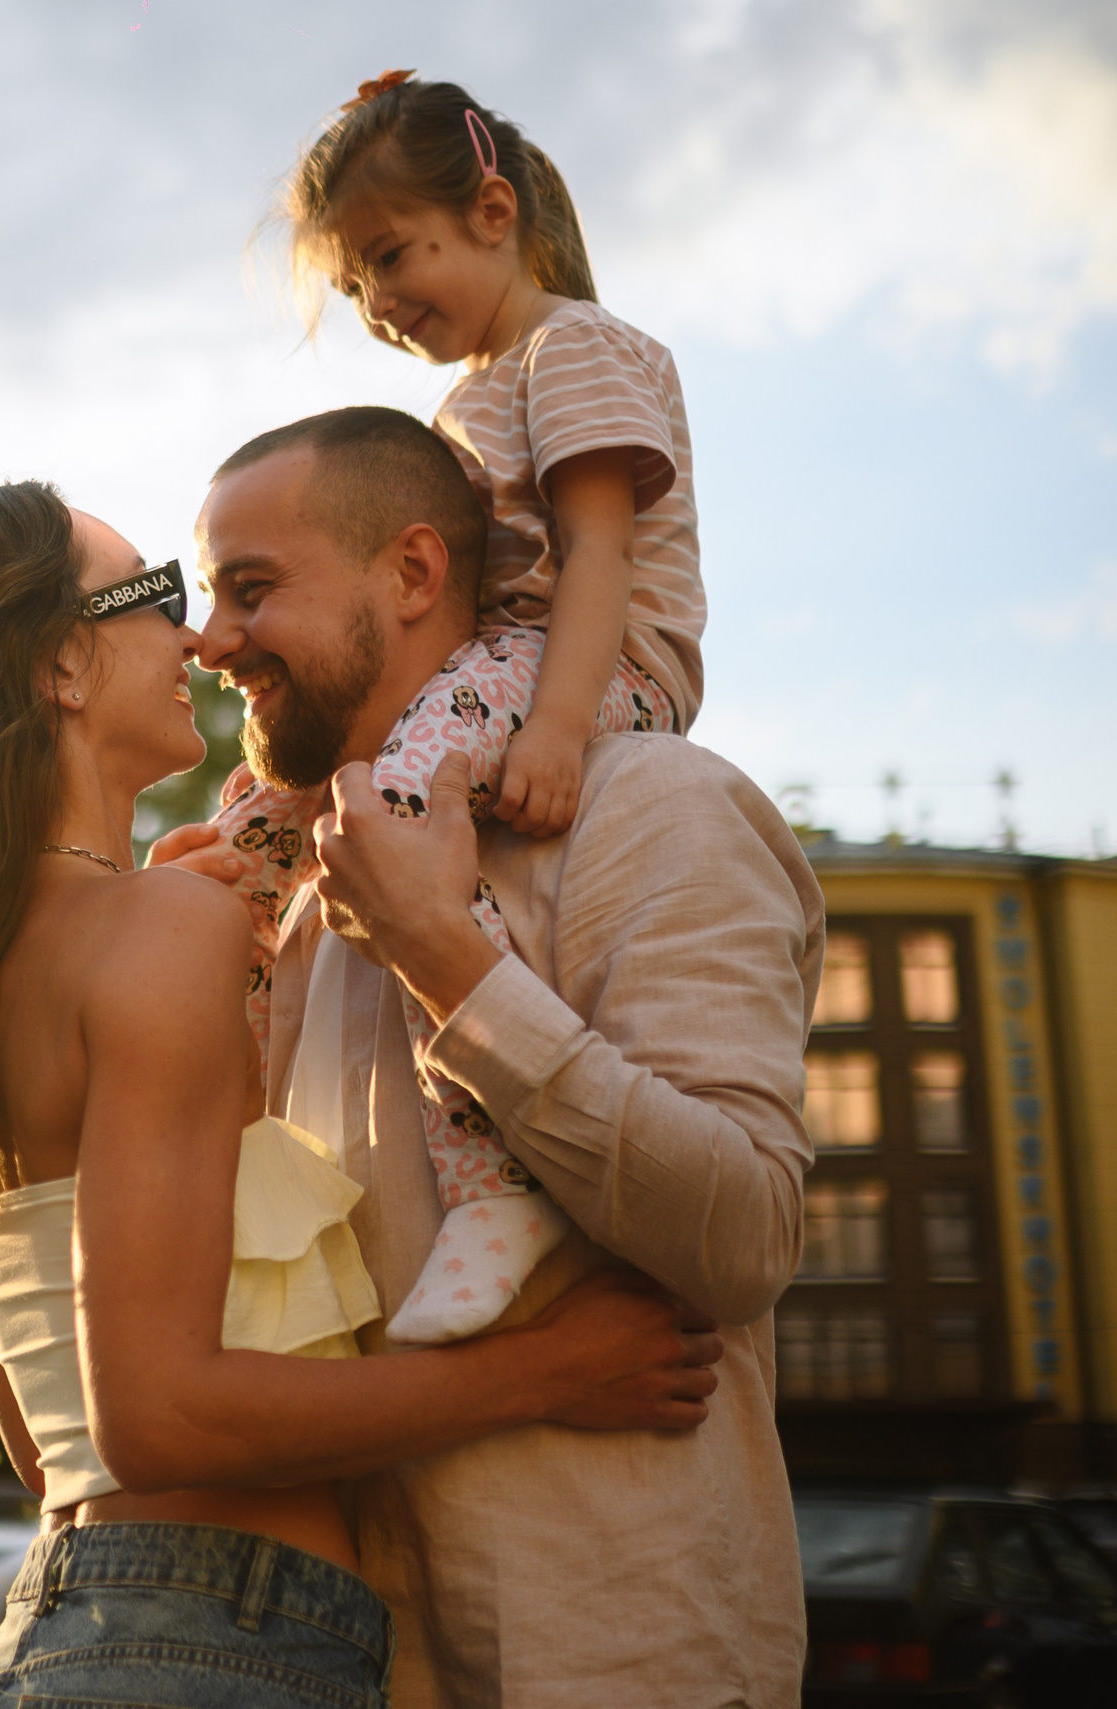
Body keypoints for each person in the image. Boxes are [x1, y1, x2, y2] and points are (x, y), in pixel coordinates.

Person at [0, 480, 726, 1708]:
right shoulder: (153, 933)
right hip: (209, 1644)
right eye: (154, 594)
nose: (197, 639)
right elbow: (156, 1417)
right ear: (58, 664)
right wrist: (548, 1372)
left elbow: (55, 1435)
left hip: (74, 1622)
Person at [187, 412, 819, 1707]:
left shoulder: (655, 806)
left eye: (252, 591)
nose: (211, 643)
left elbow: (748, 1236)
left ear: (414, 575)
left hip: (625, 1661)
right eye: (208, 600)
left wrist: (445, 957)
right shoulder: (301, 905)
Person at [207, 73, 706, 1345]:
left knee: (400, 798)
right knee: (267, 813)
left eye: (388, 255)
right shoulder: (470, 393)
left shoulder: (577, 349)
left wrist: (556, 722)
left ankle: (498, 1178)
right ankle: (246, 1113)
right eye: (355, 283)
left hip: (587, 665)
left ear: (492, 211)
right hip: (497, 674)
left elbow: (595, 552)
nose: (377, 302)